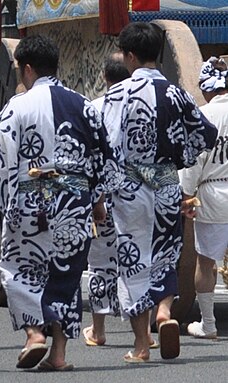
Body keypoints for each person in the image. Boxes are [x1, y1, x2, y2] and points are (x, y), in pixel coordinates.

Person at [0, 35, 123, 371]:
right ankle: (59, 355)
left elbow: (1, 156)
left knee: (17, 268)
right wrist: (99, 199)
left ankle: (34, 333)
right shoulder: (84, 104)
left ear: (27, 68)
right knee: (67, 274)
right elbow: (104, 156)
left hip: (31, 197)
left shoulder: (18, 105)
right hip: (75, 200)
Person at [101, 22, 218, 362]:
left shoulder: (117, 94)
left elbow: (106, 145)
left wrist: (103, 192)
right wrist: (181, 156)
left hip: (130, 188)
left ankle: (141, 344)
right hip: (167, 184)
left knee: (133, 258)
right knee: (166, 252)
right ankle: (164, 310)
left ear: (130, 56)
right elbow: (205, 134)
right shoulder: (175, 92)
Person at [84, 51, 135, 346]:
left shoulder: (94, 108)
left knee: (101, 262)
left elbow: (90, 158)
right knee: (137, 259)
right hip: (138, 194)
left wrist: (95, 198)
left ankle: (99, 330)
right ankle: (142, 330)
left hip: (103, 196)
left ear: (104, 77)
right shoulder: (141, 106)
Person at [179, 57, 228, 339]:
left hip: (212, 193)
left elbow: (193, 162)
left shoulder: (203, 116)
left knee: (206, 261)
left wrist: (186, 197)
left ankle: (208, 325)